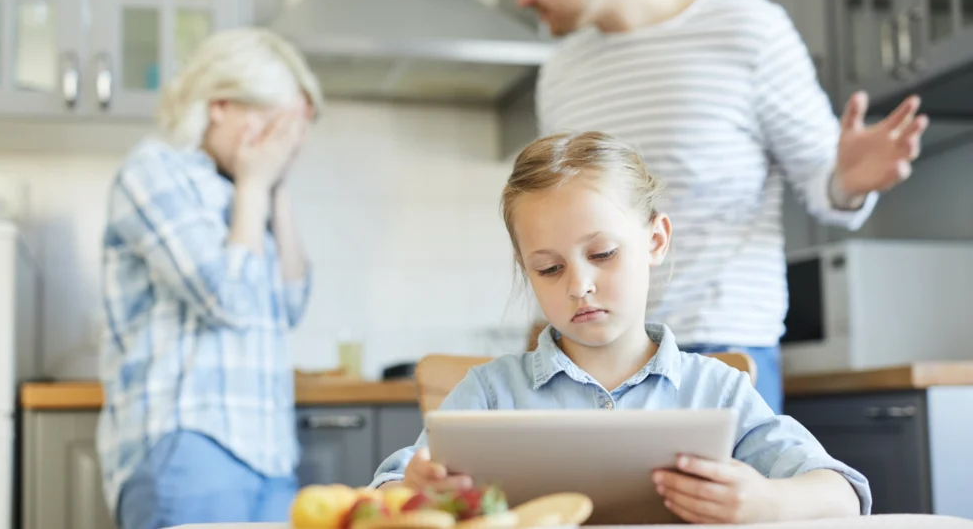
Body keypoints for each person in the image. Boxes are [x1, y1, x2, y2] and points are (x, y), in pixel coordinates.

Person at [502, 0, 929, 414]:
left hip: (720, 345)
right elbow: (561, 219)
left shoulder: (748, 29)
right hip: (591, 355)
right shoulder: (561, 72)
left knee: (727, 491)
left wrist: (847, 181)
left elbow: (822, 181)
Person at [370, 131, 871, 524]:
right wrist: (414, 492)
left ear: (656, 241)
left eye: (603, 254)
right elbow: (384, 493)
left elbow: (843, 493)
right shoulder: (489, 392)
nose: (579, 286)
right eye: (549, 268)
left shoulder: (715, 389)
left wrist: (765, 501)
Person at [96, 27, 323, 529]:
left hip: (270, 455)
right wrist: (256, 184)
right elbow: (226, 298)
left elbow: (291, 303)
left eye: (291, 133)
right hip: (191, 445)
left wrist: (276, 188)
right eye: (271, 125)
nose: (280, 144)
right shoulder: (155, 172)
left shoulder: (247, 190)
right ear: (220, 104)